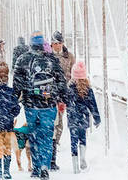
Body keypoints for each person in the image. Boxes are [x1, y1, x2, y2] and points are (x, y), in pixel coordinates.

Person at [12, 31, 67, 179]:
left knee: (34, 136)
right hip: (49, 104)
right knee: (47, 137)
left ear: (31, 44)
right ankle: (44, 166)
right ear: (43, 44)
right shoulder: (52, 60)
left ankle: (36, 168)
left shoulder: (23, 59)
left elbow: (17, 84)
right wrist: (61, 97)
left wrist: (14, 101)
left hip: (31, 104)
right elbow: (61, 81)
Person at [66, 61, 100, 173]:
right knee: (82, 139)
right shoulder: (88, 89)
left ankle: (75, 167)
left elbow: (65, 101)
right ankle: (82, 158)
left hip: (72, 117)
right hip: (83, 117)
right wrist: (97, 118)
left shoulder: (69, 88)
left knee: (73, 141)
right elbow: (93, 105)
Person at [49, 31, 75, 171]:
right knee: (52, 121)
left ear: (62, 43)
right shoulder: (48, 56)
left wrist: (68, 84)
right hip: (50, 93)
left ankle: (55, 142)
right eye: (55, 43)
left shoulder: (69, 57)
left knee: (59, 122)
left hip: (63, 93)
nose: (57, 45)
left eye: (59, 43)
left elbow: (74, 72)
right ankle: (50, 147)